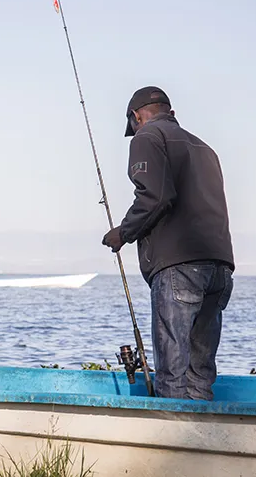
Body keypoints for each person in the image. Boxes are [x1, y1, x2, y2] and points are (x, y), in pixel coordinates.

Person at [102, 86, 235, 400]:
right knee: (200, 375)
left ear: (137, 117)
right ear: (171, 112)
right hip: (220, 267)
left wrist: (123, 233)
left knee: (172, 375)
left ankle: (169, 429)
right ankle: (198, 431)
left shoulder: (147, 137)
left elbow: (156, 197)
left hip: (179, 266)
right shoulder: (205, 148)